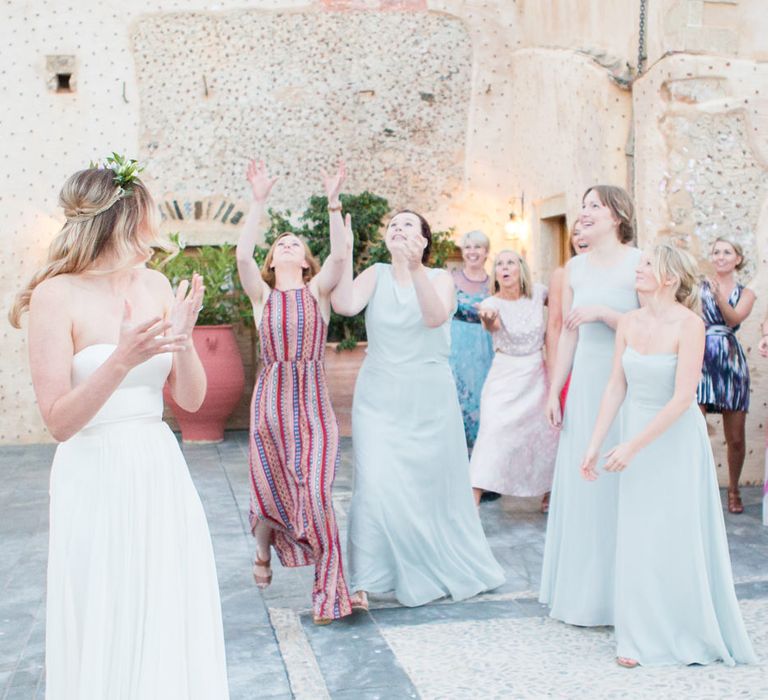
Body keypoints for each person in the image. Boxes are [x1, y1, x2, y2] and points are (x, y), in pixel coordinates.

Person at [9, 159, 230, 698]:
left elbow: (192, 399)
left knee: (165, 604)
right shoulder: (55, 296)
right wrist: (122, 360)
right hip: (93, 471)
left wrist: (184, 336)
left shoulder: (154, 284)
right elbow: (59, 420)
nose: (153, 228)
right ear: (122, 218)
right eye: (146, 213)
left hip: (157, 468)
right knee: (106, 601)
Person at [581, 243, 756, 668]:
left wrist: (633, 445)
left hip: (673, 440)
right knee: (638, 533)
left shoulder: (690, 324)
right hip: (633, 437)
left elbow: (682, 399)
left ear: (669, 278)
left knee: (674, 533)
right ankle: (637, 635)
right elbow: (615, 387)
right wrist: (596, 444)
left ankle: (684, 628)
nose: (637, 271)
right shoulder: (628, 322)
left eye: (646, 265)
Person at [332, 209, 506, 607]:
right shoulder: (375, 273)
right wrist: (344, 254)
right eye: (393, 224)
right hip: (378, 395)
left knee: (428, 491)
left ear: (424, 241)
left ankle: (427, 564)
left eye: (408, 224)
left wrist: (415, 270)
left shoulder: (441, 278)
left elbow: (434, 317)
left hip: (428, 398)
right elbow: (344, 305)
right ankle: (363, 580)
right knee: (373, 484)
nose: (398, 227)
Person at [237, 159, 363, 625]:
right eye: (280, 243)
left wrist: (333, 202)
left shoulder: (319, 293)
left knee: (316, 494)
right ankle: (263, 551)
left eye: (296, 243)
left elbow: (338, 258)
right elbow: (243, 258)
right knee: (271, 489)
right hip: (269, 407)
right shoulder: (262, 298)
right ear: (273, 261)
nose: (287, 245)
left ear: (305, 261)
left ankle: (329, 593)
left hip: (311, 407)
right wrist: (258, 201)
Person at [539, 185, 642, 627]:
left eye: (593, 206)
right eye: (582, 206)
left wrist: (605, 313)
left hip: (627, 385)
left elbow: (655, 327)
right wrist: (553, 391)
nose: (583, 213)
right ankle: (586, 593)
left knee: (621, 483)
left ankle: (627, 593)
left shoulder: (640, 263)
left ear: (617, 216)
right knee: (586, 483)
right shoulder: (575, 270)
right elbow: (567, 333)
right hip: (584, 386)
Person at [469, 250, 557, 510]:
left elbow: (562, 310)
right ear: (495, 273)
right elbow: (491, 324)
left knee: (544, 434)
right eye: (499, 264)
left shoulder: (539, 293)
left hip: (537, 375)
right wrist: (487, 319)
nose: (504, 268)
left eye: (510, 262)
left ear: (521, 269)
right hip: (504, 376)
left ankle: (549, 491)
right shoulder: (491, 304)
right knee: (492, 434)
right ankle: (471, 500)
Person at [697, 238, 755, 514]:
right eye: (716, 251)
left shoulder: (747, 293)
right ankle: (698, 488)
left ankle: (733, 490)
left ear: (738, 259)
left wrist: (719, 296)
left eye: (727, 252)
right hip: (701, 358)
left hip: (731, 361)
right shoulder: (698, 289)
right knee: (695, 430)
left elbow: (733, 319)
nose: (720, 257)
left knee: (736, 438)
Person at [448, 230, 494, 451]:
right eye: (468, 247)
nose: (472, 252)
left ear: (486, 252)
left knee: (487, 404)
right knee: (456, 404)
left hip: (487, 349)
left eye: (477, 247)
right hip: (456, 350)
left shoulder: (496, 283)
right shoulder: (451, 280)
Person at [546, 220, 590, 412]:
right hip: (571, 357)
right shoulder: (562, 274)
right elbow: (555, 325)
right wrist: (555, 377)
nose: (580, 237)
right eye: (575, 233)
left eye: (585, 231)